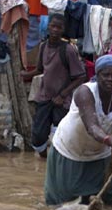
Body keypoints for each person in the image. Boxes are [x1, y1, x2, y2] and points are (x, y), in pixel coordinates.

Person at [44, 54, 112, 206]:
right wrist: (109, 140)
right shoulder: (84, 92)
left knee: (107, 200)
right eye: (106, 75)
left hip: (101, 151)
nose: (110, 79)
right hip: (71, 148)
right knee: (68, 205)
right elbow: (92, 127)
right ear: (97, 75)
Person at [22, 14, 87, 158]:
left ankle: (58, 161)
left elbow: (80, 76)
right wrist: (24, 75)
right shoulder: (43, 46)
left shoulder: (68, 50)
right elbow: (40, 69)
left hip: (61, 100)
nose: (56, 30)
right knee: (38, 134)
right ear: (48, 27)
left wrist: (63, 95)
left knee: (61, 134)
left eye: (59, 27)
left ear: (63, 29)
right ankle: (44, 159)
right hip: (44, 96)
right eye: (53, 26)